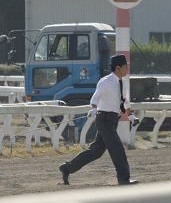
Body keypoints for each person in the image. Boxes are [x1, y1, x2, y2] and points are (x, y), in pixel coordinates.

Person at [59, 54, 139, 185]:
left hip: (113, 119)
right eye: (125, 67)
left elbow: (126, 102)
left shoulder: (123, 82)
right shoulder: (105, 81)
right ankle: (123, 178)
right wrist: (94, 108)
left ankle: (67, 168)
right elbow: (95, 98)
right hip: (104, 118)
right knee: (117, 147)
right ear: (118, 68)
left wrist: (131, 116)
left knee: (96, 151)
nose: (127, 69)